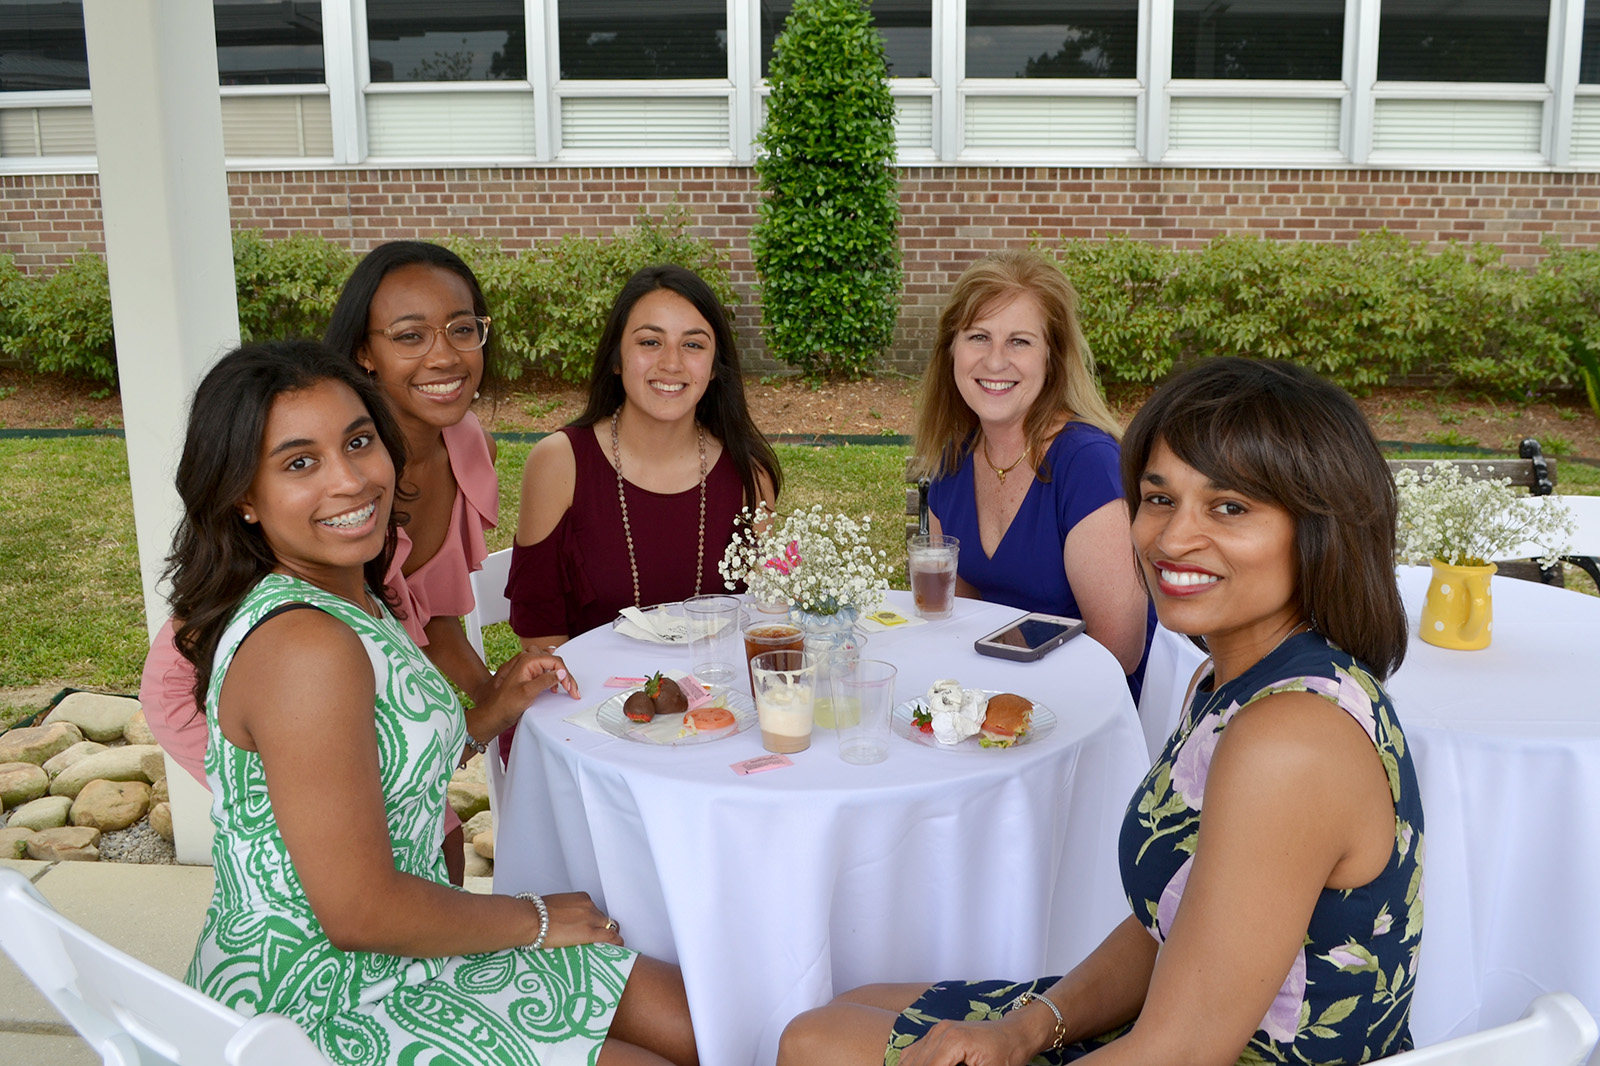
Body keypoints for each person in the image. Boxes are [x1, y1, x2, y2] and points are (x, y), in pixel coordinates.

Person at [781, 356, 1423, 1066]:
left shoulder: (1290, 741)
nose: (1173, 539)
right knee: (851, 1005)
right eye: (1158, 498)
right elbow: (1174, 926)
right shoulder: (1231, 679)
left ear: (1318, 526)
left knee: (816, 1043)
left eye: (1229, 507)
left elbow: (1176, 1053)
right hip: (1176, 1031)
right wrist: (1025, 1029)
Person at [169, 341, 698, 1066]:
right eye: (300, 463)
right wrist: (533, 917)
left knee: (707, 1024)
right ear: (244, 497)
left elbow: (364, 768)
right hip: (317, 1002)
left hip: (404, 949)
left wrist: (485, 715)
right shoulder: (305, 649)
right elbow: (358, 911)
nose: (350, 480)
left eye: (358, 442)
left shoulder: (344, 591)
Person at [141, 240, 505, 882]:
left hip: (355, 663)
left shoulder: (465, 447)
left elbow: (435, 618)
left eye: (462, 328)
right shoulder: (328, 489)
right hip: (222, 681)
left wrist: (504, 707)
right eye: (410, 335)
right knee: (372, 860)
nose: (444, 355)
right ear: (365, 352)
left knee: (432, 842)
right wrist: (535, 919)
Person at [911, 250, 1152, 699]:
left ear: (1052, 358)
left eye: (1019, 341)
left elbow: (1118, 651)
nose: (995, 361)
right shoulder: (952, 461)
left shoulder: (1087, 464)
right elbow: (961, 616)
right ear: (951, 351)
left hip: (1087, 705)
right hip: (993, 691)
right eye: (978, 336)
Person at [507, 264, 781, 650]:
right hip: (589, 702)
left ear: (716, 367)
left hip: (716, 702)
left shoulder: (748, 475)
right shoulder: (559, 462)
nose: (671, 363)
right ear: (616, 359)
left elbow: (765, 620)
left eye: (693, 344)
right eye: (650, 342)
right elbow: (539, 637)